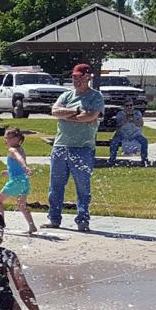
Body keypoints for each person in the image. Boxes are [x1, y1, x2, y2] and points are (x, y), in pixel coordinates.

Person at [45, 63, 105, 232]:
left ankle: (83, 220)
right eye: (74, 77)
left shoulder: (96, 96)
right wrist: (76, 111)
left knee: (83, 187)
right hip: (60, 146)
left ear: (88, 77)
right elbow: (55, 111)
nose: (76, 80)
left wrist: (68, 115)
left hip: (83, 148)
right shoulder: (66, 95)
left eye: (80, 77)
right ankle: (54, 218)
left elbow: (90, 116)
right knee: (55, 186)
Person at [0, 127, 36, 234]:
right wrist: (8, 172)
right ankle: (32, 226)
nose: (6, 140)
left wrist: (25, 166)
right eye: (5, 138)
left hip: (16, 181)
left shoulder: (12, 150)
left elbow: (19, 159)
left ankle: (0, 226)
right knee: (21, 205)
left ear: (17, 139)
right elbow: (17, 166)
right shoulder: (21, 148)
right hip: (24, 181)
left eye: (8, 138)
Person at [108, 97, 149, 166]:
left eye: (131, 105)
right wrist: (126, 119)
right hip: (122, 135)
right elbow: (118, 125)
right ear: (124, 106)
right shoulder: (120, 114)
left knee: (144, 141)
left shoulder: (137, 113)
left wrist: (134, 119)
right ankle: (112, 160)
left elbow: (141, 124)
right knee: (114, 142)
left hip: (136, 135)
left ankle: (144, 160)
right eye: (127, 105)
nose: (129, 107)